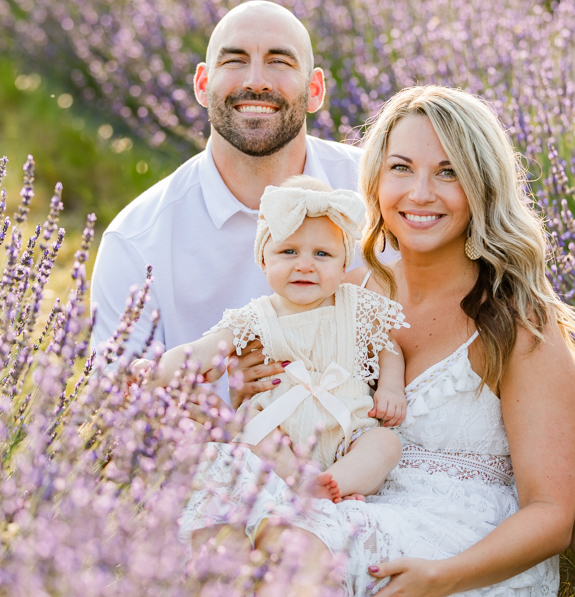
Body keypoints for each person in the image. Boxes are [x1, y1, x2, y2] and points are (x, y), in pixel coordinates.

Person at [90, 0, 575, 597]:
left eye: (279, 61)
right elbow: (116, 411)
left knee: (572, 435)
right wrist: (218, 395)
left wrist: (569, 370)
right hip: (249, 444)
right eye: (235, 61)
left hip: (381, 433)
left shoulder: (372, 182)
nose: (256, 80)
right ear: (203, 83)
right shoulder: (139, 239)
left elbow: (483, 267)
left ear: (314, 90)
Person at [180, 85, 575, 597]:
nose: (420, 194)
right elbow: (286, 381)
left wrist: (440, 578)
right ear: (374, 181)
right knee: (222, 478)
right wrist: (258, 392)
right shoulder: (350, 287)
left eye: (448, 173)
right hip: (350, 491)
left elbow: (551, 515)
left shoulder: (517, 323)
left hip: (454, 539)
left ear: (482, 188)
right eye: (402, 168)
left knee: (297, 545)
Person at [131, 177, 407, 503]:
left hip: (349, 426)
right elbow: (203, 351)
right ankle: (304, 485)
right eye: (288, 251)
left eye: (322, 254)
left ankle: (338, 482)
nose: (305, 265)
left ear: (344, 263)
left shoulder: (357, 306)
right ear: (264, 260)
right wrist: (159, 372)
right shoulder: (256, 317)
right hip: (281, 430)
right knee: (251, 435)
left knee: (385, 444)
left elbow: (388, 346)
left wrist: (390, 387)